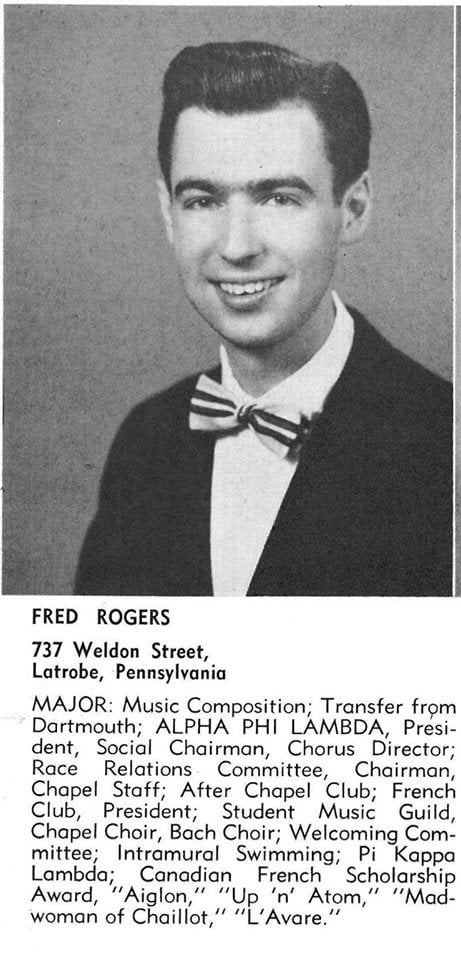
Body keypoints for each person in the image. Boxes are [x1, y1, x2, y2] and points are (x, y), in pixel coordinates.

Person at [75, 41, 452, 596]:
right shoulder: (145, 442)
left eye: (277, 198)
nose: (237, 246)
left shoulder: (443, 444)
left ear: (353, 210)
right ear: (168, 214)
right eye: (202, 200)